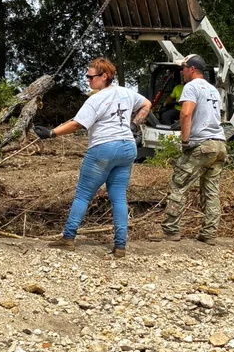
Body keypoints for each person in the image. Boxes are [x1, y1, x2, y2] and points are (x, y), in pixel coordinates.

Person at [33, 58, 151, 258]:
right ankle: (120, 246)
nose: (87, 80)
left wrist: (51, 133)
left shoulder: (95, 99)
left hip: (104, 148)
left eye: (90, 76)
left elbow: (78, 124)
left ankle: (68, 237)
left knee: (83, 195)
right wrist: (134, 124)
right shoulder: (126, 92)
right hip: (128, 147)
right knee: (119, 197)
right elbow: (147, 104)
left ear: (104, 76)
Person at [153, 55, 227, 244]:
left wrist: (185, 142)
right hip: (219, 144)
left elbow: (186, 113)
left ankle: (171, 231)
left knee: (179, 185)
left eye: (183, 68)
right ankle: (209, 234)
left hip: (201, 144)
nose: (181, 71)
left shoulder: (191, 87)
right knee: (211, 190)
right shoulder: (213, 90)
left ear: (192, 69)